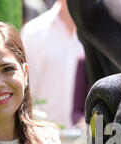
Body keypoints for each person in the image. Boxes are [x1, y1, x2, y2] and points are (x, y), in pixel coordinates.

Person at [21, 0, 83, 128]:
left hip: (90, 139)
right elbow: (25, 90)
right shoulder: (33, 32)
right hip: (43, 135)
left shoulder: (100, 32)